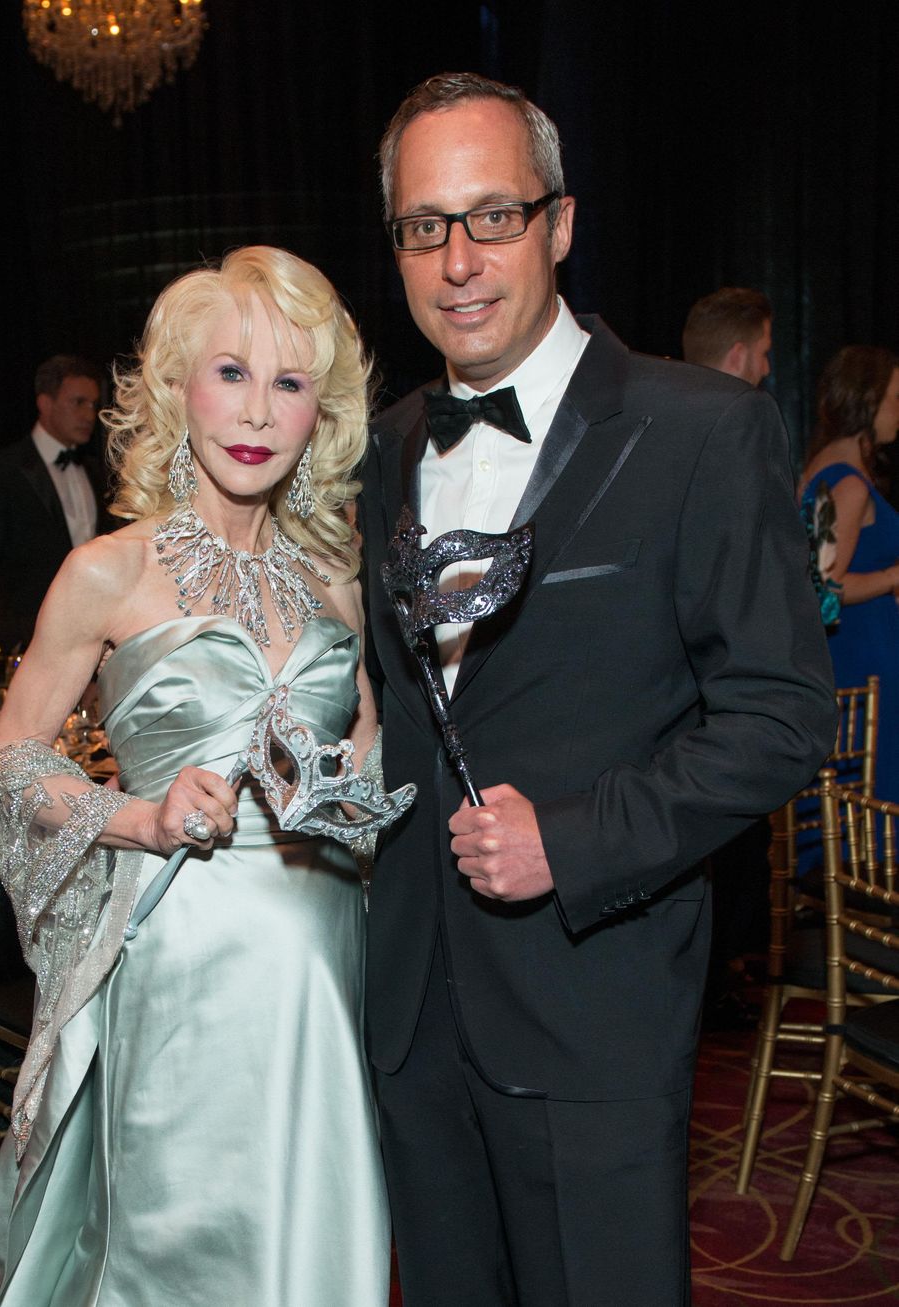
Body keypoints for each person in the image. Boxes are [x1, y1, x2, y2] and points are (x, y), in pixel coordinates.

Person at [358, 72, 836, 1306]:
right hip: (411, 1020)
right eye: (424, 226)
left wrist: (568, 842)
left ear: (558, 225)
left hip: (591, 1010)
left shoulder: (701, 429)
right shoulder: (382, 447)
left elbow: (781, 716)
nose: (457, 259)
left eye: (492, 216)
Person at [0, 247, 392, 1306]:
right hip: (181, 966)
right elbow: (4, 768)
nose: (256, 409)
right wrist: (141, 816)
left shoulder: (336, 578)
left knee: (312, 1235)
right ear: (176, 389)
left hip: (326, 971)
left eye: (289, 381)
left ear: (320, 411)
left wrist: (346, 795)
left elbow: (372, 755)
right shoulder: (107, 568)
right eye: (231, 372)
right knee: (173, 1246)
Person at [683, 287, 778, 1027]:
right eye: (768, 355)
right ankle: (715, 986)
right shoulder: (736, 431)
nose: (769, 369)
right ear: (743, 354)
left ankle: (714, 982)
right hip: (712, 709)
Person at [0, 354, 110, 658]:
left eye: (93, 405)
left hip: (94, 638)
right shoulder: (3, 470)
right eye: (78, 402)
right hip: (26, 642)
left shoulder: (96, 472)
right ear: (45, 403)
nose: (89, 414)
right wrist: (7, 635)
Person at [799, 344, 899, 801]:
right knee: (869, 799)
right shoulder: (849, 484)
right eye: (893, 398)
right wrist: (893, 577)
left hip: (852, 656)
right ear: (867, 401)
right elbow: (823, 595)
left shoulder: (819, 470)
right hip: (864, 660)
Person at [682, 286, 773, 385]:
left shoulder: (667, 398)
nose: (766, 370)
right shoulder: (760, 400)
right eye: (763, 354)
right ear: (737, 357)